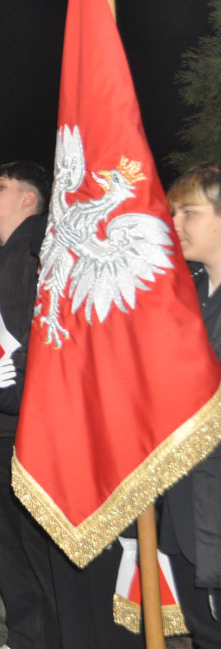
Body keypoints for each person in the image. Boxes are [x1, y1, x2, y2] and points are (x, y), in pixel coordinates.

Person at [0, 162, 56, 649]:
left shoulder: (45, 251)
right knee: (5, 546)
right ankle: (26, 638)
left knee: (40, 549)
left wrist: (3, 382)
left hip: (37, 422)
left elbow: (53, 332)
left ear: (28, 198)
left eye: (0, 186)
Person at [162, 160, 221, 649]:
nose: (175, 223)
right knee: (202, 630)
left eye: (190, 212)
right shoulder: (184, 296)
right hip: (185, 503)